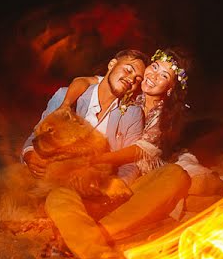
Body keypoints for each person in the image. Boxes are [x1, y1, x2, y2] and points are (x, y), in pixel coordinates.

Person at [43, 48, 195, 259]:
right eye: (154, 68)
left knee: (177, 175)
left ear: (170, 89)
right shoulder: (128, 87)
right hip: (103, 180)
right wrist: (66, 104)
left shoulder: (163, 116)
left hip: (135, 181)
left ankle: (84, 237)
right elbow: (83, 81)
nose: (153, 76)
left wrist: (99, 161)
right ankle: (101, 252)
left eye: (164, 76)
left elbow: (137, 151)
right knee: (57, 197)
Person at [21, 49, 149, 185]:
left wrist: (113, 187)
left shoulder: (132, 114)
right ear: (112, 64)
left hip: (97, 187)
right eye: (128, 70)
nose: (131, 79)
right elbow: (36, 135)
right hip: (54, 182)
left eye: (137, 79)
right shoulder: (66, 96)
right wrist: (29, 154)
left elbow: (130, 163)